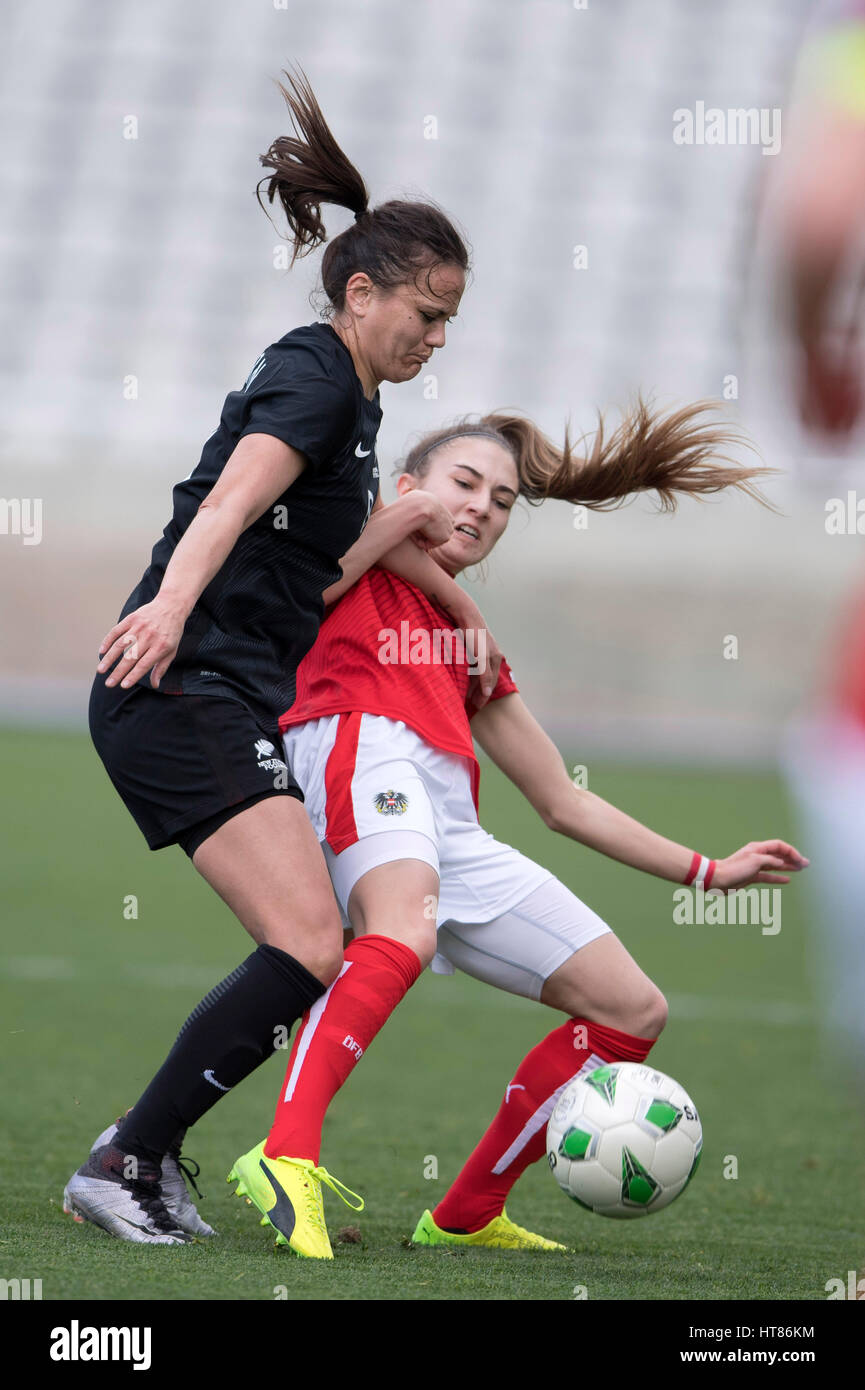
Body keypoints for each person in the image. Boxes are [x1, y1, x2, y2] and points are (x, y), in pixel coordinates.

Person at [62, 68, 500, 1246]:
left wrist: (414, 549)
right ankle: (128, 1159)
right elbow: (229, 502)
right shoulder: (314, 375)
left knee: (312, 944)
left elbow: (309, 558)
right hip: (177, 681)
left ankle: (139, 1156)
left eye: (450, 317)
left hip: (217, 685)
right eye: (426, 311)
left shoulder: (348, 397)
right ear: (361, 294)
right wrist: (164, 611)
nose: (437, 335)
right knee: (313, 940)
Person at [223, 405, 809, 1257]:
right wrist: (448, 584)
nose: (482, 509)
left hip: (446, 821)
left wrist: (707, 871)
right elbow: (311, 584)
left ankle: (464, 1214)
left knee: (629, 1009)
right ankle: (286, 1154)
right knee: (402, 933)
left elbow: (562, 801)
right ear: (406, 485)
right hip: (357, 748)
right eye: (463, 485)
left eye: (501, 501)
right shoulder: (343, 542)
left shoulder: (474, 654)